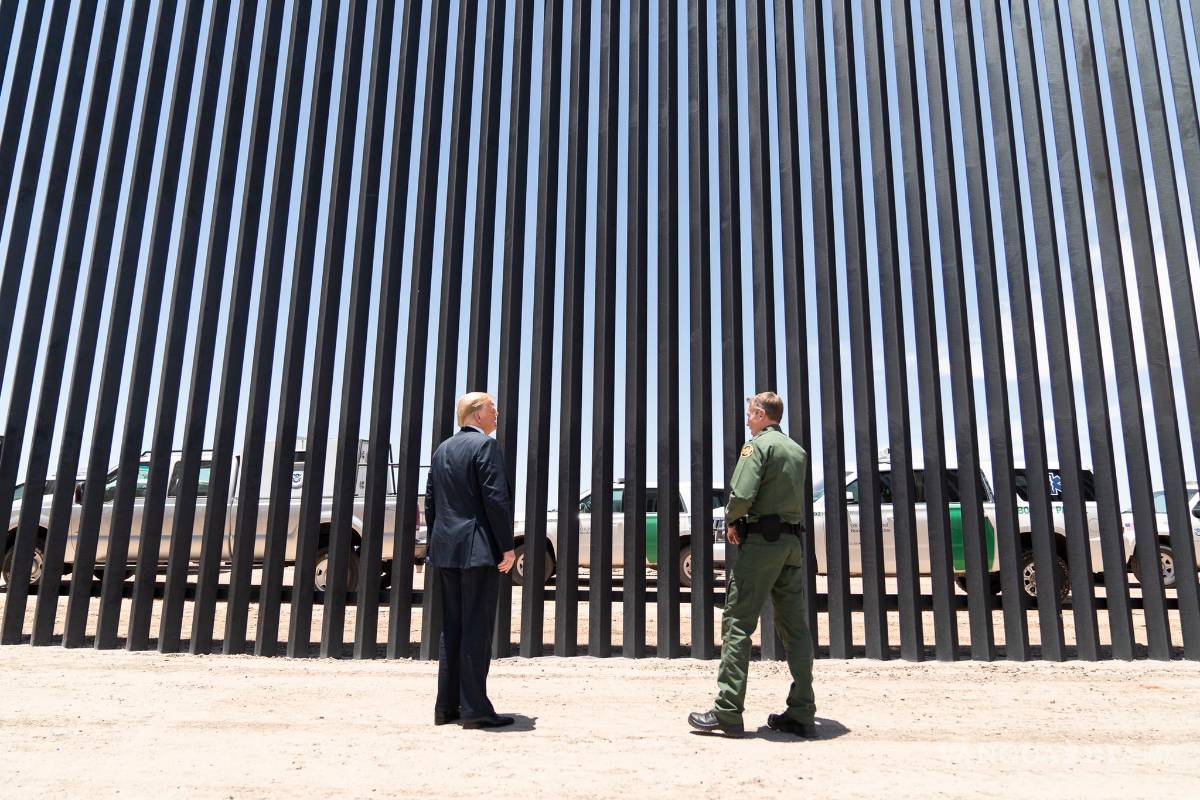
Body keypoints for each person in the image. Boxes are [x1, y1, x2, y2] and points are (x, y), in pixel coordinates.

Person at [688, 391, 817, 738]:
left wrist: (731, 521)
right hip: (792, 545)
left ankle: (728, 711)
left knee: (737, 623)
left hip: (762, 544)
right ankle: (802, 711)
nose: (747, 420)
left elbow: (742, 495)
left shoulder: (757, 447)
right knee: (795, 628)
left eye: (749, 414)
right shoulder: (797, 451)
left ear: (761, 414)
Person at [425, 391, 516, 729]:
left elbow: (431, 501)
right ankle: (475, 709)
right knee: (476, 629)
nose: (497, 413)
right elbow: (496, 499)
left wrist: (439, 542)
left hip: (446, 550)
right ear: (477, 414)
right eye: (493, 407)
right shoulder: (485, 447)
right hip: (478, 552)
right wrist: (507, 547)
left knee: (452, 628)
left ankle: (446, 708)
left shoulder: (442, 450)